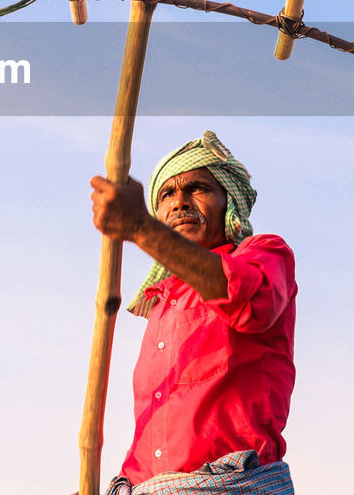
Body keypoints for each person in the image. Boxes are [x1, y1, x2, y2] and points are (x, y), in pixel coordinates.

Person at [89, 131, 296, 494]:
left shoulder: (263, 253)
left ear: (227, 201)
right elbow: (154, 438)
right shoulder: (161, 302)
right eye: (166, 194)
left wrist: (140, 229)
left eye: (197, 188)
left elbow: (250, 303)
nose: (180, 202)